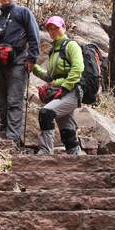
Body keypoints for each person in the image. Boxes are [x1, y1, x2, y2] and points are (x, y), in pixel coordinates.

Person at [0, 0, 40, 148]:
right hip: (0, 65)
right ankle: (3, 133)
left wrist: (32, 58)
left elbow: (34, 35)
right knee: (1, 102)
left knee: (14, 100)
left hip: (18, 62)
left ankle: (12, 139)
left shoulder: (23, 12)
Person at [33, 16, 86, 155]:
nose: (53, 31)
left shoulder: (71, 45)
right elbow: (50, 77)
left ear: (64, 28)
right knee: (66, 128)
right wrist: (34, 68)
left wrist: (65, 88)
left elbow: (78, 68)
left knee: (46, 113)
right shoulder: (54, 51)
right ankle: (76, 155)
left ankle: (45, 152)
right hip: (59, 92)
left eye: (56, 27)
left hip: (71, 92)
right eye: (50, 29)